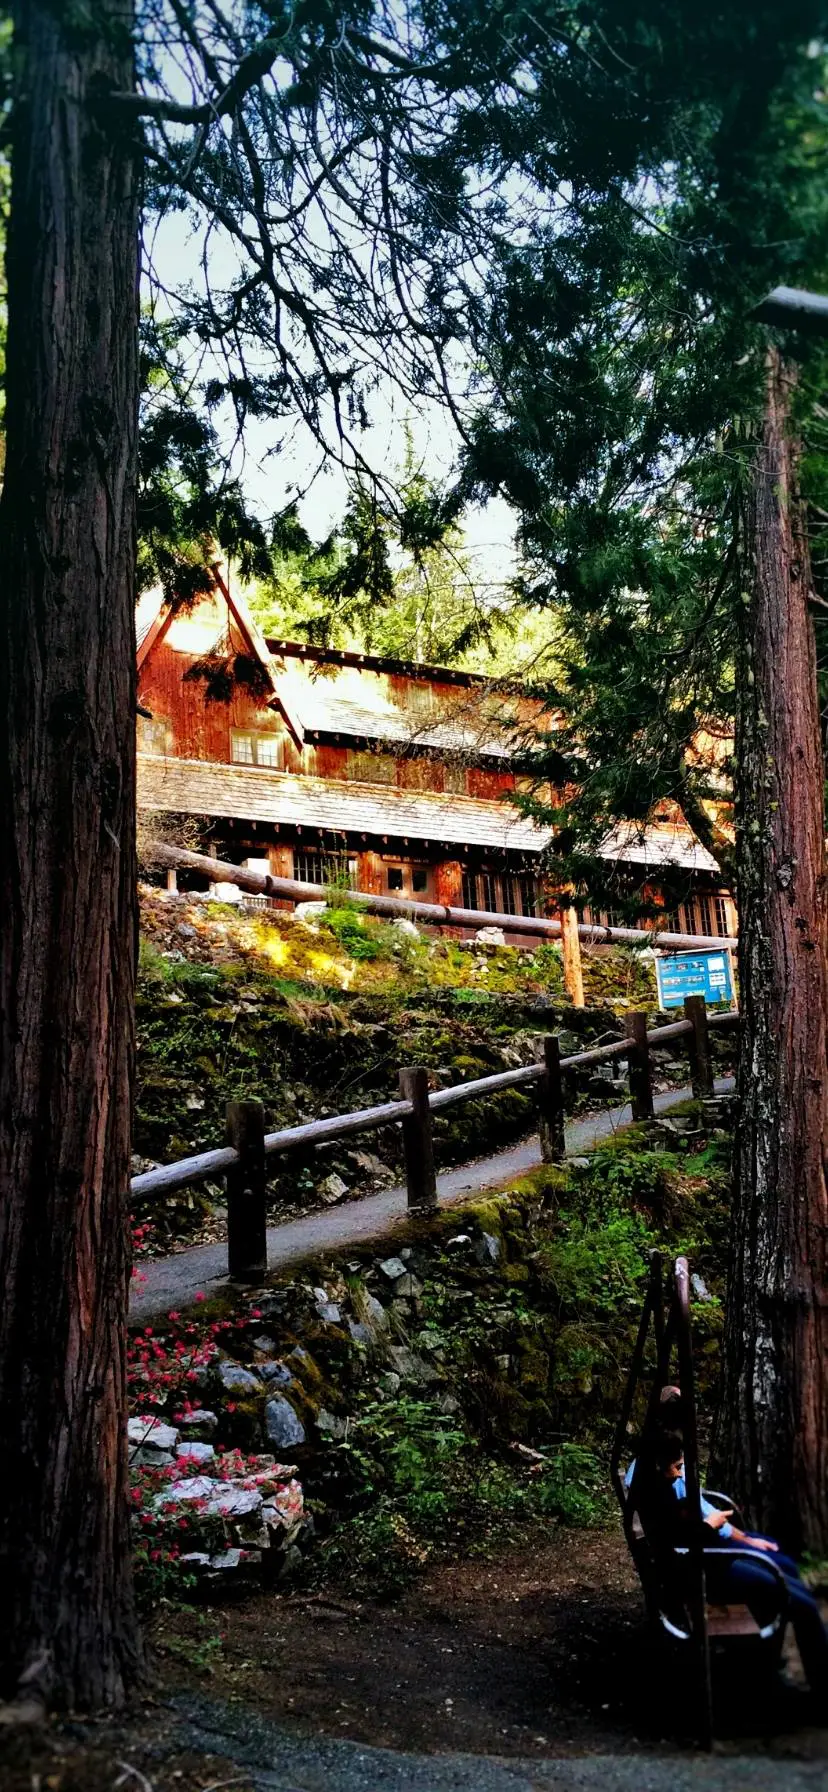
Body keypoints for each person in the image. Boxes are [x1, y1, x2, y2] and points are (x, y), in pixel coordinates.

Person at [636, 1431, 828, 1698]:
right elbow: (680, 1544)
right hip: (705, 1573)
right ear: (659, 1465)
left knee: (787, 1584)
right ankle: (813, 1688)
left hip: (708, 1562)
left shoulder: (653, 1486)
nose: (680, 1474)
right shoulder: (659, 1495)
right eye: (676, 1467)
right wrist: (708, 1525)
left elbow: (680, 1534)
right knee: (800, 1603)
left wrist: (713, 1528)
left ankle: (767, 1667)